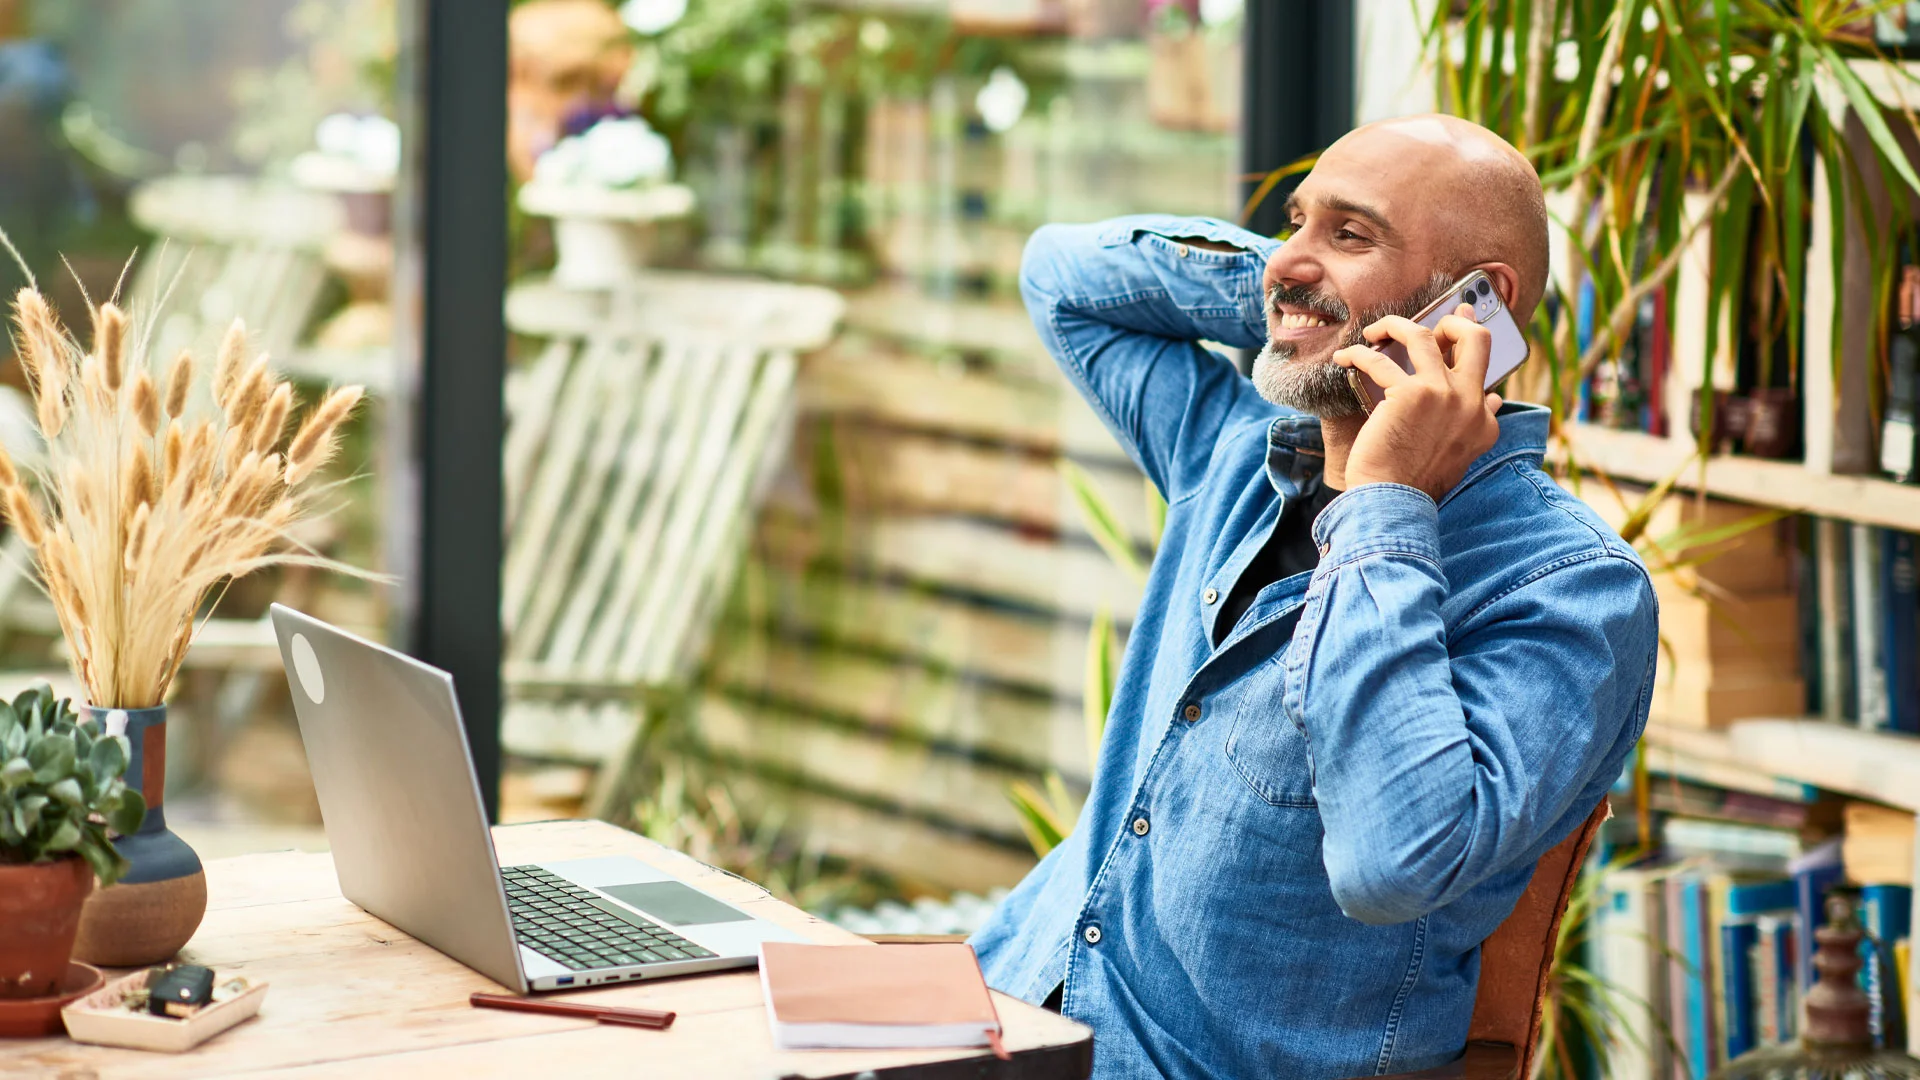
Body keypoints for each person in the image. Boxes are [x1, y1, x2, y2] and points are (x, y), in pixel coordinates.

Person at [967, 114, 1658, 1079]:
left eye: (1351, 233)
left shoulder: (1574, 590)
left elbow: (1393, 865)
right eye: (1296, 220)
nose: (1292, 256)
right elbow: (1061, 277)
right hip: (1008, 1007)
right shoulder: (1235, 453)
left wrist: (1384, 503)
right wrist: (1304, 293)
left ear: (1478, 304)